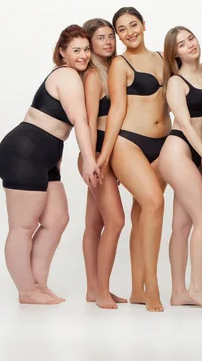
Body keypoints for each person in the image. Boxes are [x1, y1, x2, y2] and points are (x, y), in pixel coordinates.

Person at [0, 24, 101, 304]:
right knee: (22, 226)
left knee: (56, 219)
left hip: (45, 157)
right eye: (76, 50)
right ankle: (26, 291)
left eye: (86, 49)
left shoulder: (77, 76)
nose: (82, 55)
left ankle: (38, 284)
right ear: (62, 53)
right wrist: (89, 159)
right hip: (23, 152)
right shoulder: (66, 75)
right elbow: (80, 120)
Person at [97, 6, 171, 312]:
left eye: (133, 25)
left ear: (144, 25)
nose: (129, 32)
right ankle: (152, 287)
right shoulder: (119, 64)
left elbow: (180, 89)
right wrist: (104, 155)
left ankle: (137, 288)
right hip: (129, 143)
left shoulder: (161, 58)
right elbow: (116, 110)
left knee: (143, 214)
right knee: (155, 203)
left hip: (162, 144)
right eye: (122, 29)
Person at [157, 26, 202, 309]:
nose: (189, 45)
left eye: (191, 38)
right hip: (178, 151)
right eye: (182, 44)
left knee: (182, 225)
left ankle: (178, 293)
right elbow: (184, 124)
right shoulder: (176, 82)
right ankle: (197, 289)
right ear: (175, 53)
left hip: (196, 153)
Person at [77, 18, 127, 309]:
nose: (108, 42)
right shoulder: (94, 77)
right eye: (101, 38)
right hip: (96, 156)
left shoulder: (114, 69)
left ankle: (93, 289)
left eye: (111, 36)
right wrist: (96, 160)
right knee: (116, 221)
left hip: (105, 155)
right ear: (90, 43)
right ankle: (102, 292)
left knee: (95, 223)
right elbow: (88, 122)